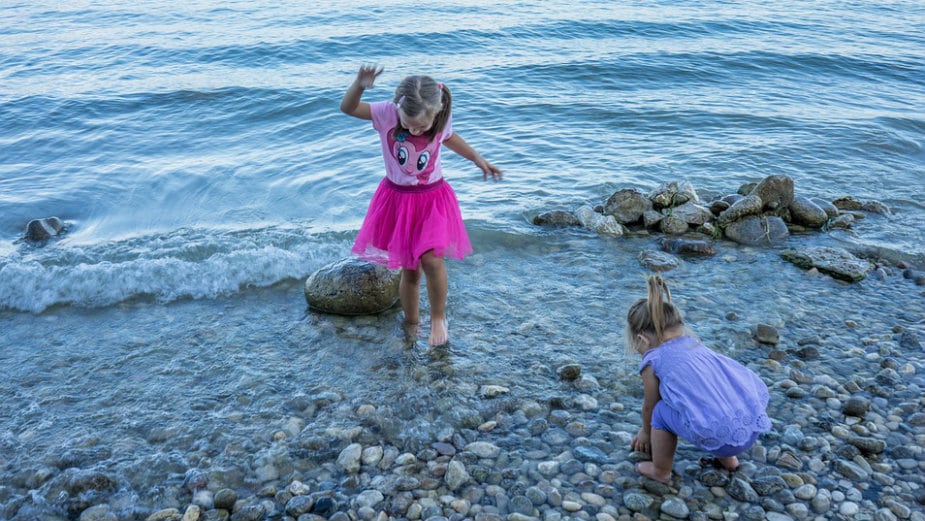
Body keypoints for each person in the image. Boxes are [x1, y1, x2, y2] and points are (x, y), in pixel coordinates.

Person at [340, 65, 502, 346]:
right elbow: (348, 108)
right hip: (397, 200)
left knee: (432, 260)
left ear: (436, 115)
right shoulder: (386, 112)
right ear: (397, 109)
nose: (414, 129)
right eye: (408, 124)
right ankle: (412, 322)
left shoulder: (439, 115)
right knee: (409, 269)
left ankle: (438, 318)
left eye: (421, 127)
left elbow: (449, 139)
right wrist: (360, 85)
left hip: (432, 199)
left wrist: (477, 159)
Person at [627, 275, 771, 483]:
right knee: (713, 398)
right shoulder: (694, 345)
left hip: (718, 438)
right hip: (750, 427)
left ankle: (661, 471)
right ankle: (729, 461)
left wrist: (645, 433)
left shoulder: (653, 360)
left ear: (641, 339)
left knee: (660, 413)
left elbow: (650, 406)